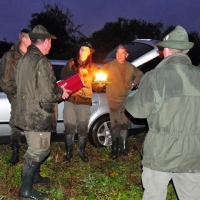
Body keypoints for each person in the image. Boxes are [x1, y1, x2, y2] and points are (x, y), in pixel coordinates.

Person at [125, 25, 200, 200]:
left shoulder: (154, 77)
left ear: (166, 50)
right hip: (193, 152)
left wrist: (129, 97)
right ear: (186, 50)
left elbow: (137, 110)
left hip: (161, 153)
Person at [15, 24, 70, 200]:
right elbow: (48, 93)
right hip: (37, 115)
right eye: (50, 42)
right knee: (38, 151)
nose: (51, 46)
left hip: (25, 112)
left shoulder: (24, 59)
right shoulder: (42, 62)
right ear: (45, 41)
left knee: (34, 146)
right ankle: (25, 190)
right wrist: (62, 92)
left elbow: (26, 85)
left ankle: (35, 177)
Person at [60, 41, 102, 162]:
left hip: (85, 101)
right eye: (81, 49)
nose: (83, 51)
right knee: (69, 127)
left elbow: (96, 88)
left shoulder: (93, 68)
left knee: (83, 127)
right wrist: (76, 72)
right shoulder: (71, 63)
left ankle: (82, 152)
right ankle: (68, 154)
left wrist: (100, 84)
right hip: (70, 99)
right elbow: (63, 76)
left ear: (90, 53)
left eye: (86, 50)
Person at [100, 45, 143, 160]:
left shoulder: (130, 67)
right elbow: (99, 78)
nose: (119, 55)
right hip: (113, 100)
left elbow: (140, 75)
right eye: (118, 53)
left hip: (126, 100)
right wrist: (100, 83)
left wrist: (133, 84)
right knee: (115, 125)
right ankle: (114, 149)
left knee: (124, 124)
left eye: (122, 53)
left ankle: (123, 148)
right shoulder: (109, 66)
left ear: (126, 55)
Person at [0, 29, 31, 165]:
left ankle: (32, 153)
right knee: (16, 124)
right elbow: (4, 79)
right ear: (24, 39)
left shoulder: (31, 56)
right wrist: (14, 94)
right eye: (31, 38)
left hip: (30, 96)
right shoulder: (10, 56)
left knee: (31, 122)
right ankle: (15, 154)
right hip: (17, 95)